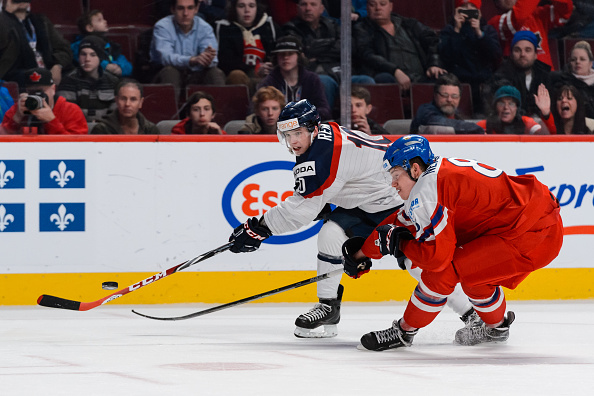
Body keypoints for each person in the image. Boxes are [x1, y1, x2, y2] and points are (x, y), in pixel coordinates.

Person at [227, 99, 479, 339]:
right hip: (367, 203)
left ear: (314, 130)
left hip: (399, 202)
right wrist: (322, 201)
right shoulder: (321, 141)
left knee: (417, 263)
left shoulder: (324, 154)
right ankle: (329, 308)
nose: (293, 142)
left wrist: (258, 229)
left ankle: (473, 314)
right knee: (331, 235)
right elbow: (340, 181)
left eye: (298, 133)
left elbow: (300, 210)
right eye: (288, 135)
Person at [342, 134, 563, 351]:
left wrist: (400, 245)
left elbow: (438, 260)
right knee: (474, 275)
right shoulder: (432, 177)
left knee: (443, 274)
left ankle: (403, 332)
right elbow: (399, 222)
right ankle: (496, 329)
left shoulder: (428, 191)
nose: (393, 184)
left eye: (396, 175)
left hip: (532, 233)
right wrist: (362, 253)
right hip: (531, 221)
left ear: (414, 169)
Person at [281, 0, 375, 109]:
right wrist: (330, 45)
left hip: (340, 71)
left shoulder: (333, 25)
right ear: (297, 8)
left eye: (313, 4)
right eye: (303, 4)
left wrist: (316, 51)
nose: (308, 8)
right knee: (324, 81)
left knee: (366, 80)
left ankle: (366, 123)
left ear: (322, 9)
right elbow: (302, 53)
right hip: (314, 72)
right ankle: (325, 121)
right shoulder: (290, 28)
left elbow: (348, 47)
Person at [352, 0, 447, 91]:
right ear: (367, 7)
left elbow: (433, 41)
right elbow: (367, 54)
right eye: (372, 4)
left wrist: (434, 64)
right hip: (390, 76)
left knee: (443, 78)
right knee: (384, 78)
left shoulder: (409, 24)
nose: (378, 8)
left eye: (383, 4)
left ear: (391, 6)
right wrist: (395, 71)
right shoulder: (361, 28)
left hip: (420, 77)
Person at [150, 0, 226, 98]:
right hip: (166, 73)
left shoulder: (205, 28)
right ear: (173, 9)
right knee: (170, 72)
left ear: (196, 8)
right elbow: (166, 58)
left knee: (215, 73)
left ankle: (220, 112)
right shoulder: (162, 26)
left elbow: (213, 60)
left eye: (190, 8)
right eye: (181, 8)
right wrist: (192, 60)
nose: (185, 13)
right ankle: (169, 112)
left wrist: (207, 59)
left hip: (195, 74)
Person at [439, 0, 502, 115]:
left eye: (472, 6)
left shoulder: (487, 30)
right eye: (464, 6)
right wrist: (457, 30)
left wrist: (479, 33)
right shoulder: (449, 30)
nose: (468, 9)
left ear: (479, 11)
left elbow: (495, 54)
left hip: (484, 83)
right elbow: (446, 57)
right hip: (459, 82)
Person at [256, 36, 332, 120]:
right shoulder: (268, 82)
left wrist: (304, 114)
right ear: (276, 57)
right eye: (282, 54)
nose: (285, 57)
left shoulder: (312, 79)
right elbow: (256, 110)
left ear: (299, 56)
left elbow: (325, 110)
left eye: (290, 53)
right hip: (277, 127)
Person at [0, 0, 73, 87]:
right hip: (16, 78)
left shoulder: (41, 21)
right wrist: (6, 14)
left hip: (47, 73)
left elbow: (64, 48)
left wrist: (57, 66)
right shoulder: (3, 23)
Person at [215, 0, 278, 93]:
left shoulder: (270, 26)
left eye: (251, 6)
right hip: (241, 76)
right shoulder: (224, 28)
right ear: (234, 8)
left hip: (266, 76)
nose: (247, 10)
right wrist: (256, 69)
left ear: (258, 7)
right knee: (236, 75)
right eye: (241, 6)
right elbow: (225, 62)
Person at [488, 0, 573, 70]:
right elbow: (518, 19)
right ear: (497, 3)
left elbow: (565, 11)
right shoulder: (495, 22)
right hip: (516, 80)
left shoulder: (538, 14)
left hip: (545, 79)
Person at [0, 68, 87, 135]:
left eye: (41, 92)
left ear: (53, 89)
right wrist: (16, 119)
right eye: (32, 92)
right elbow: (3, 140)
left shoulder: (70, 110)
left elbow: (78, 147)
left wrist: (51, 121)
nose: (37, 97)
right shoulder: (18, 108)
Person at [489, 30, 552, 119]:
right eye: (517, 50)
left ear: (535, 55)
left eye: (528, 50)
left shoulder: (545, 76)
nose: (522, 54)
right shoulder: (500, 76)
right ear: (511, 54)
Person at [57, 35, 119, 123]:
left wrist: (100, 126)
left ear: (100, 58)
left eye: (93, 55)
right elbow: (67, 114)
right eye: (83, 54)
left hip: (106, 131)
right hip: (78, 132)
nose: (87, 59)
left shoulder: (112, 81)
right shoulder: (68, 81)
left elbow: (115, 113)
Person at [410, 73, 485, 134]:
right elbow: (438, 122)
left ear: (460, 98)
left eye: (454, 96)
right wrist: (474, 127)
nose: (449, 99)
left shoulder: (459, 117)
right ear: (435, 95)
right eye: (444, 95)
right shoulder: (425, 111)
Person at [71, 9, 133, 77]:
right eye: (100, 20)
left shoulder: (110, 45)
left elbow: (124, 61)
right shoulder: (79, 45)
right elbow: (83, 59)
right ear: (89, 28)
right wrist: (106, 65)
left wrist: (120, 68)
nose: (105, 21)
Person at [92, 79, 160, 135]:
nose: (127, 104)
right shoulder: (102, 129)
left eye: (133, 99)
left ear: (140, 102)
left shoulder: (151, 130)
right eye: (123, 99)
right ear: (116, 100)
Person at [477, 84, 552, 134]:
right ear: (495, 106)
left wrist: (545, 113)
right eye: (501, 103)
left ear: (517, 108)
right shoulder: (485, 125)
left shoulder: (526, 123)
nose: (506, 107)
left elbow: (545, 136)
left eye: (511, 104)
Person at [550, 41, 594, 119]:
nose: (577, 62)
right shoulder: (561, 82)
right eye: (573, 60)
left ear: (590, 63)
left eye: (582, 59)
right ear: (570, 62)